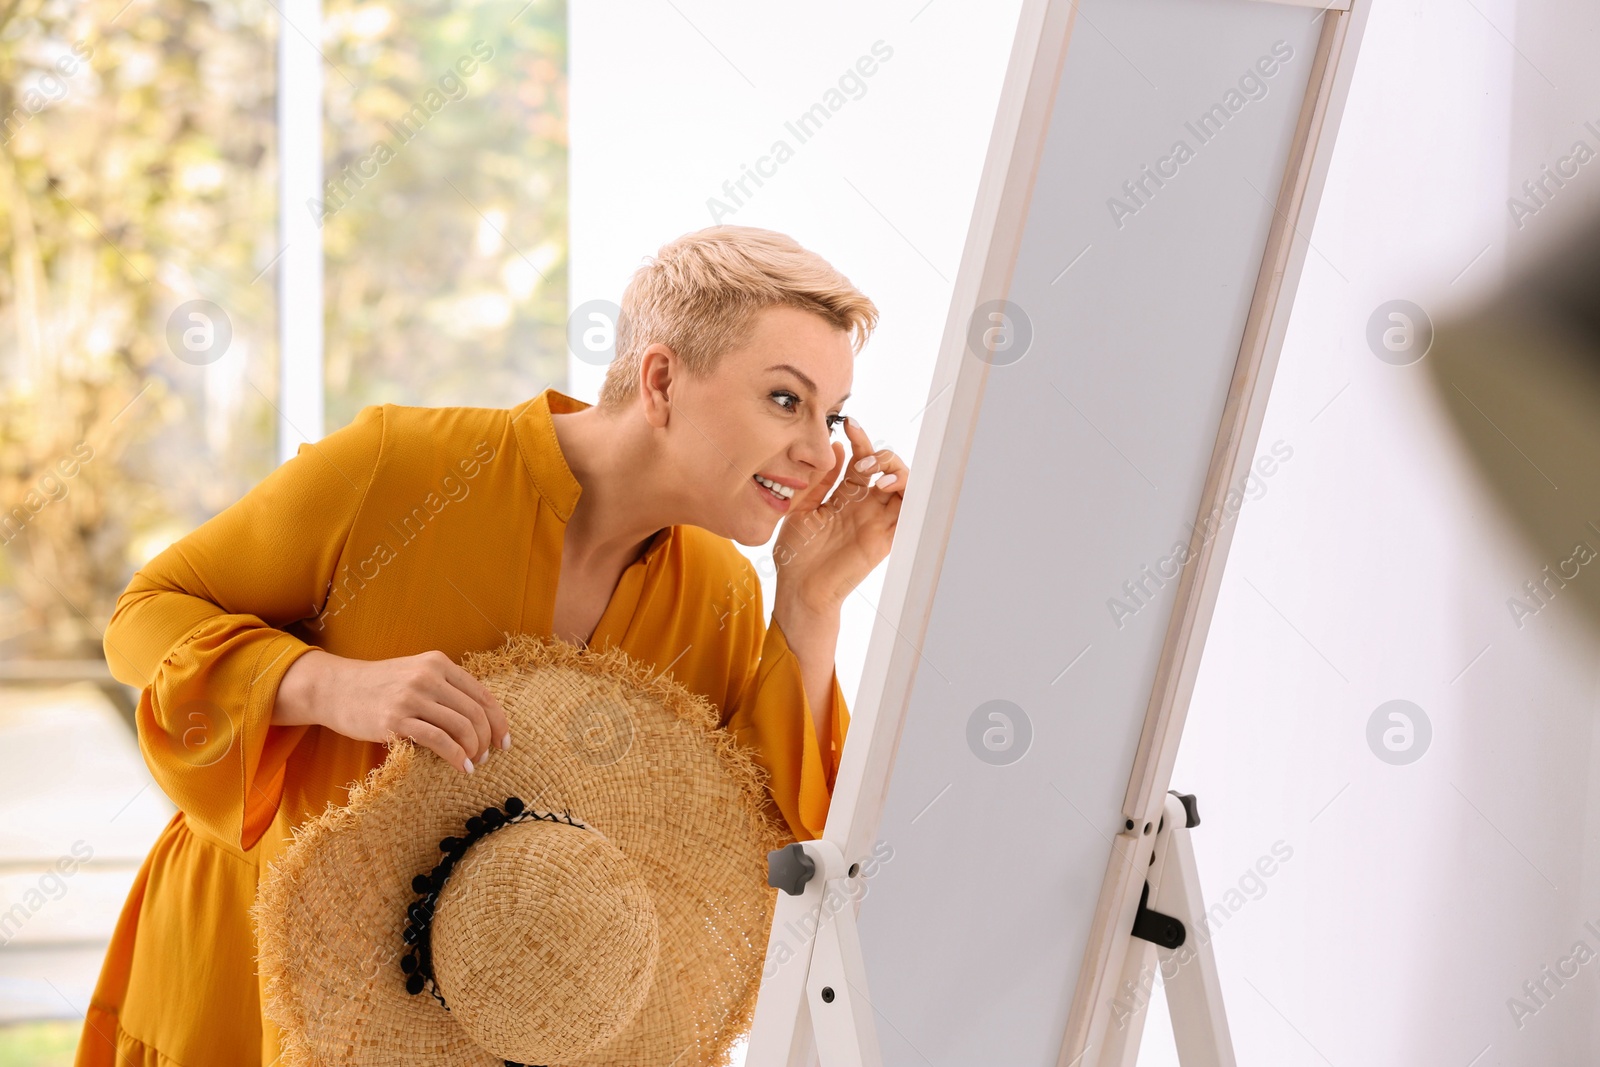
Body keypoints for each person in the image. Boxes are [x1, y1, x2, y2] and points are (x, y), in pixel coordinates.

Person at [75, 225, 909, 1066]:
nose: (821, 450)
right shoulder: (396, 469)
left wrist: (811, 596)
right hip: (233, 975)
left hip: (455, 1031)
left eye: (833, 414)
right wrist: (329, 685)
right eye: (785, 399)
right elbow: (145, 616)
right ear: (661, 380)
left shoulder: (718, 593)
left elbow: (755, 853)